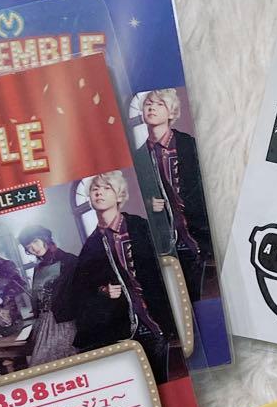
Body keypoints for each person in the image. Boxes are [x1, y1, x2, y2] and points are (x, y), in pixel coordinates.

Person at [60, 172, 177, 385]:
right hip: (124, 326)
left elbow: (166, 264)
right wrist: (102, 291)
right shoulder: (90, 247)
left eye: (107, 188)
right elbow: (81, 291)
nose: (99, 193)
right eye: (95, 189)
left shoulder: (140, 227)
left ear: (119, 195)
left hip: (158, 317)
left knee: (167, 379)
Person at [133, 88, 213, 302]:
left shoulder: (188, 144)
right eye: (148, 104)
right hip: (168, 240)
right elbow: (136, 202)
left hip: (202, 231)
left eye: (159, 104)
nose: (151, 108)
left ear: (171, 112)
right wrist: (149, 204)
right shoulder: (139, 158)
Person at [16, 224, 78, 364]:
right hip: (44, 321)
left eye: (35, 241)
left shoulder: (69, 261)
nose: (34, 248)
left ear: (44, 238)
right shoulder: (38, 268)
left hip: (65, 321)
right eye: (28, 247)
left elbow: (81, 292)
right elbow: (37, 298)